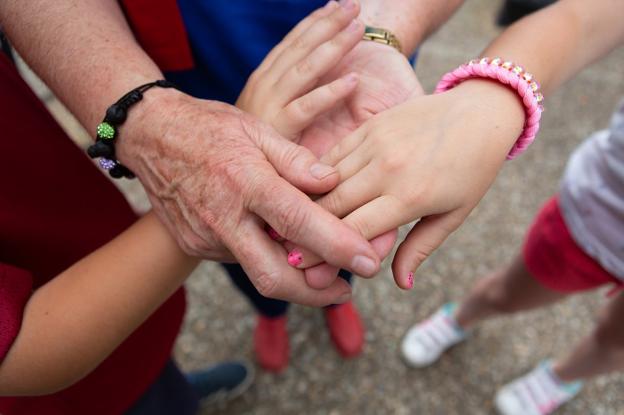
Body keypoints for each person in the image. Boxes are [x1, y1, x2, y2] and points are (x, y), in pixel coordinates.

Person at [0, 6, 373, 413]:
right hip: (75, 369)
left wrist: (129, 121)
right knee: (248, 250)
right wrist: (152, 142)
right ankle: (271, 313)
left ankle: (334, 299)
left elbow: (104, 142)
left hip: (97, 240)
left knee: (331, 216)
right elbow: (23, 348)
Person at [0, 0, 466, 309]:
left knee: (344, 221)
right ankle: (270, 313)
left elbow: (102, 152)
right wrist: (132, 118)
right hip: (183, 74)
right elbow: (103, 149)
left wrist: (383, 31)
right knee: (234, 238)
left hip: (355, 57)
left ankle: (332, 300)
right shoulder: (127, 120)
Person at [370, 0, 624, 413]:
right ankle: (461, 317)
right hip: (599, 221)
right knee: (508, 292)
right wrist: (494, 97)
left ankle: (562, 377)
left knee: (617, 344)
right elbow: (583, 18)